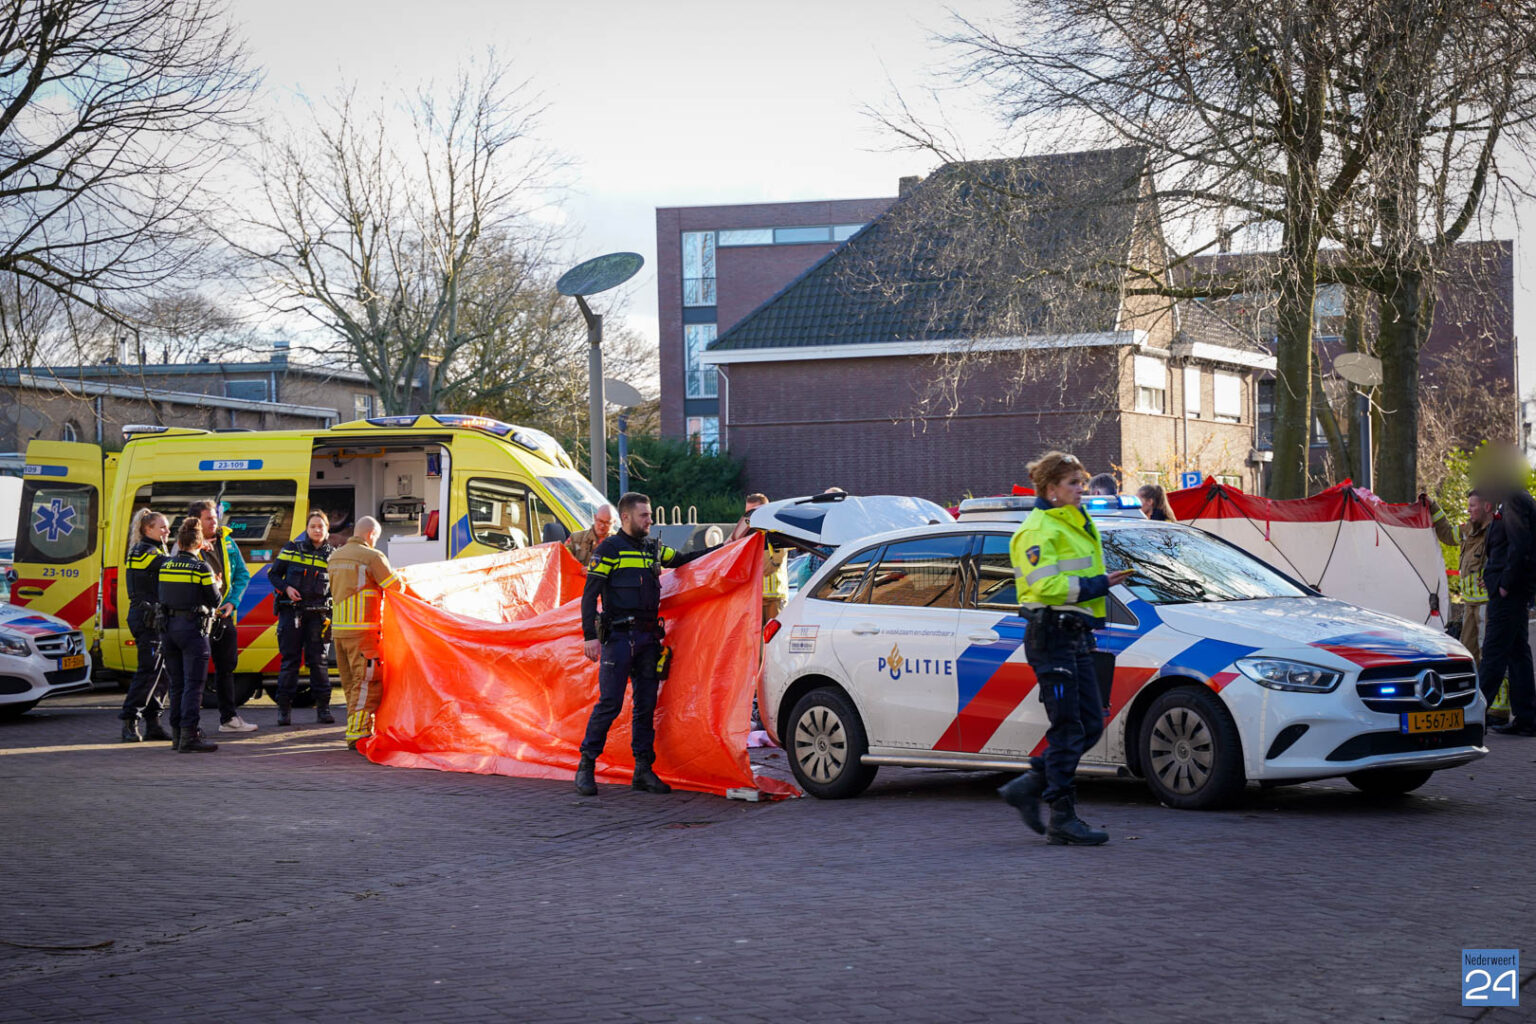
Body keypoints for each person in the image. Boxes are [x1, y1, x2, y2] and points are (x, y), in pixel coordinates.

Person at [997, 451, 1132, 845]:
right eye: (1073, 483)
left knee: (1089, 723)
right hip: (1051, 636)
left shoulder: (1073, 522)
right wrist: (1100, 585)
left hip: (1075, 635)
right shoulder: (1038, 530)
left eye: (1081, 482)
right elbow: (1047, 587)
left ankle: (1029, 786)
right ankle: (1062, 816)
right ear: (1051, 489)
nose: (1081, 489)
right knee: (1069, 726)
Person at [575, 491, 718, 796]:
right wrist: (589, 636)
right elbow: (590, 595)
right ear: (626, 517)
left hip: (648, 638)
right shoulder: (609, 550)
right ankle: (586, 765)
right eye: (644, 515)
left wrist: (727, 548)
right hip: (618, 638)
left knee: (646, 707)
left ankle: (643, 770)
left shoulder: (653, 549)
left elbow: (682, 560)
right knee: (610, 704)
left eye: (650, 515)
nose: (650, 520)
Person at [329, 515, 405, 750]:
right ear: (371, 534)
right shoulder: (372, 557)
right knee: (367, 683)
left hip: (340, 632)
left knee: (351, 683)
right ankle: (358, 733)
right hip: (363, 631)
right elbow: (395, 586)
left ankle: (354, 728)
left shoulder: (335, 556)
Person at [183, 499, 256, 734]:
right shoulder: (185, 546)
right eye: (208, 518)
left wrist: (231, 603)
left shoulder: (227, 542)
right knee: (194, 673)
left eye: (215, 517)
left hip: (222, 618)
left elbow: (242, 576)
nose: (214, 522)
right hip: (197, 619)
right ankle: (187, 725)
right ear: (196, 521)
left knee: (226, 669)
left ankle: (229, 719)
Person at [1477, 460, 1536, 737]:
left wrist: (1504, 584)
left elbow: (1520, 543)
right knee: (1517, 653)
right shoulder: (1515, 498)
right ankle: (1526, 717)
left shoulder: (1512, 500)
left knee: (1494, 652)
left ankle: (1473, 716)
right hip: (1513, 590)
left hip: (1509, 593)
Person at [159, 517, 221, 753]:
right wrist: (218, 583)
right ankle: (190, 736)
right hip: (193, 630)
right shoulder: (201, 567)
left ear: (180, 542)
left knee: (176, 684)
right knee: (194, 685)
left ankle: (176, 735)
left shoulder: (166, 565)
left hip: (168, 629)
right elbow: (214, 600)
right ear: (199, 544)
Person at [268, 510, 335, 726]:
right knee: (290, 663)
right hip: (292, 613)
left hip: (319, 616)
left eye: (320, 526)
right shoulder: (291, 549)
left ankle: (323, 709)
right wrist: (286, 588)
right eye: (313, 526)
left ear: (327, 529)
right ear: (306, 529)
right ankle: (283, 710)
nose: (317, 530)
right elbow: (274, 575)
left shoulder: (334, 555)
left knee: (319, 663)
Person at [117, 509, 173, 743]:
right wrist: (192, 549)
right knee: (148, 672)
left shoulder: (155, 549)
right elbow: (169, 565)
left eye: (167, 527)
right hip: (145, 617)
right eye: (162, 527)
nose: (166, 531)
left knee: (161, 674)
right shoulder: (142, 551)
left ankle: (154, 723)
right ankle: (130, 721)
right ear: (147, 529)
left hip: (157, 618)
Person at [1426, 488, 1492, 666]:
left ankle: (1495, 694)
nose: (1468, 510)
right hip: (1470, 605)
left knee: (1488, 657)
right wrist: (1433, 507)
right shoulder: (1469, 529)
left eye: (1472, 505)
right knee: (1469, 656)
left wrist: (1494, 577)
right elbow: (1447, 534)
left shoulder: (1495, 532)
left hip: (1488, 606)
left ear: (1487, 507)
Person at [730, 493, 788, 624]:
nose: (749, 517)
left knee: (774, 640)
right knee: (753, 641)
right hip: (752, 597)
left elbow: (771, 566)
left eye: (753, 512)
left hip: (774, 597)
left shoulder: (777, 530)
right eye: (747, 513)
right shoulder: (744, 532)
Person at [565, 503, 615, 567]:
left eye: (607, 523)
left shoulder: (619, 543)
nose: (602, 526)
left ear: (614, 522)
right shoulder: (575, 539)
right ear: (595, 517)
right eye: (600, 521)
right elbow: (562, 562)